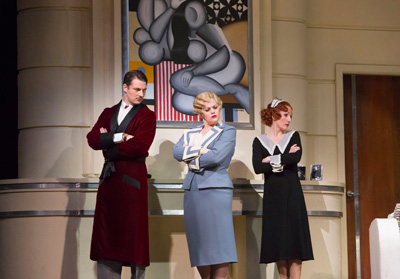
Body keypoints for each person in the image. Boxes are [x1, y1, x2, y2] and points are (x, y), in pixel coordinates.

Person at [87, 70, 156, 279]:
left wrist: (107, 144)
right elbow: (91, 139)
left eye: (144, 90)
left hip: (133, 180)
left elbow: (140, 146)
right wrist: (120, 136)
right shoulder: (108, 113)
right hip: (109, 180)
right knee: (108, 234)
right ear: (125, 88)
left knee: (133, 235)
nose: (141, 94)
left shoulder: (147, 115)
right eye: (137, 89)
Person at [173, 91, 237, 279]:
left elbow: (216, 156)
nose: (213, 112)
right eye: (207, 109)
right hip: (193, 190)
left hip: (217, 190)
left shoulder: (227, 131)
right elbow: (176, 152)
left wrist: (191, 159)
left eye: (215, 107)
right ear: (200, 112)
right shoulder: (191, 131)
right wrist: (200, 150)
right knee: (199, 241)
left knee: (219, 242)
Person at [252, 99, 314, 279]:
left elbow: (296, 158)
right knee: (279, 243)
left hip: (292, 194)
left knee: (294, 243)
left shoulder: (293, 136)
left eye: (290, 116)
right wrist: (282, 159)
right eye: (285, 114)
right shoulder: (260, 141)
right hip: (273, 196)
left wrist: (269, 160)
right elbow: (257, 167)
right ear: (273, 114)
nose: (289, 119)